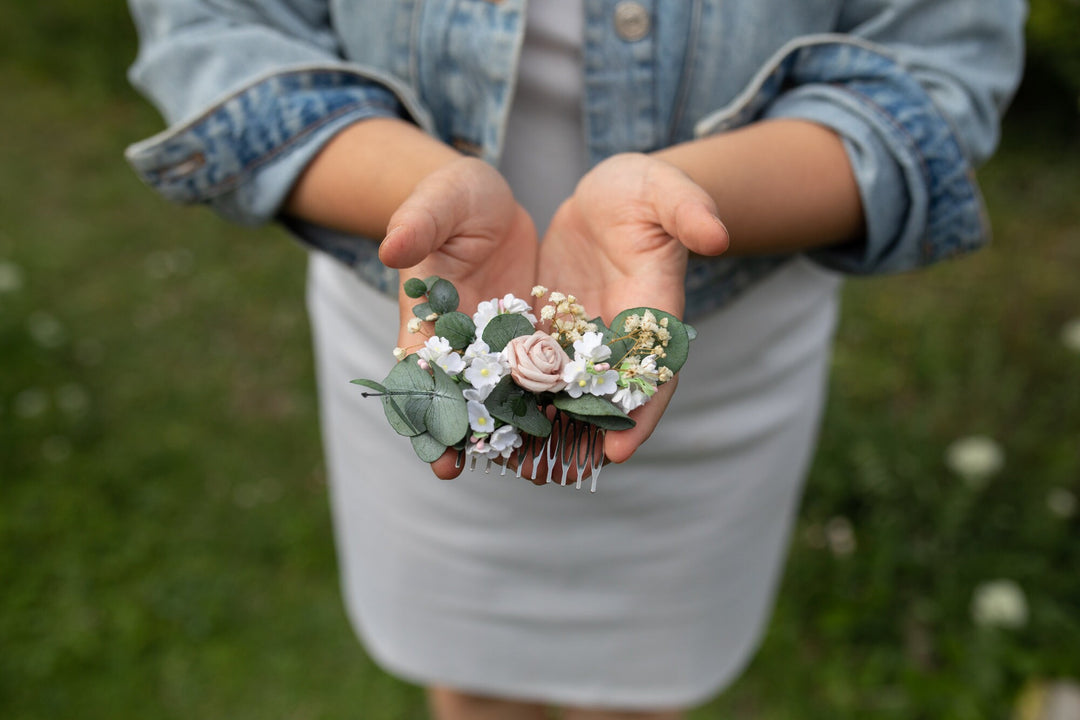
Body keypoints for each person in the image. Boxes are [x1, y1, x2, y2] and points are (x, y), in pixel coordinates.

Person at [124, 1, 1026, 717]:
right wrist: (414, 191)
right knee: (469, 671)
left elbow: (937, 70)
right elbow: (215, 27)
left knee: (640, 687)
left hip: (719, 347)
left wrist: (683, 201)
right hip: (434, 318)